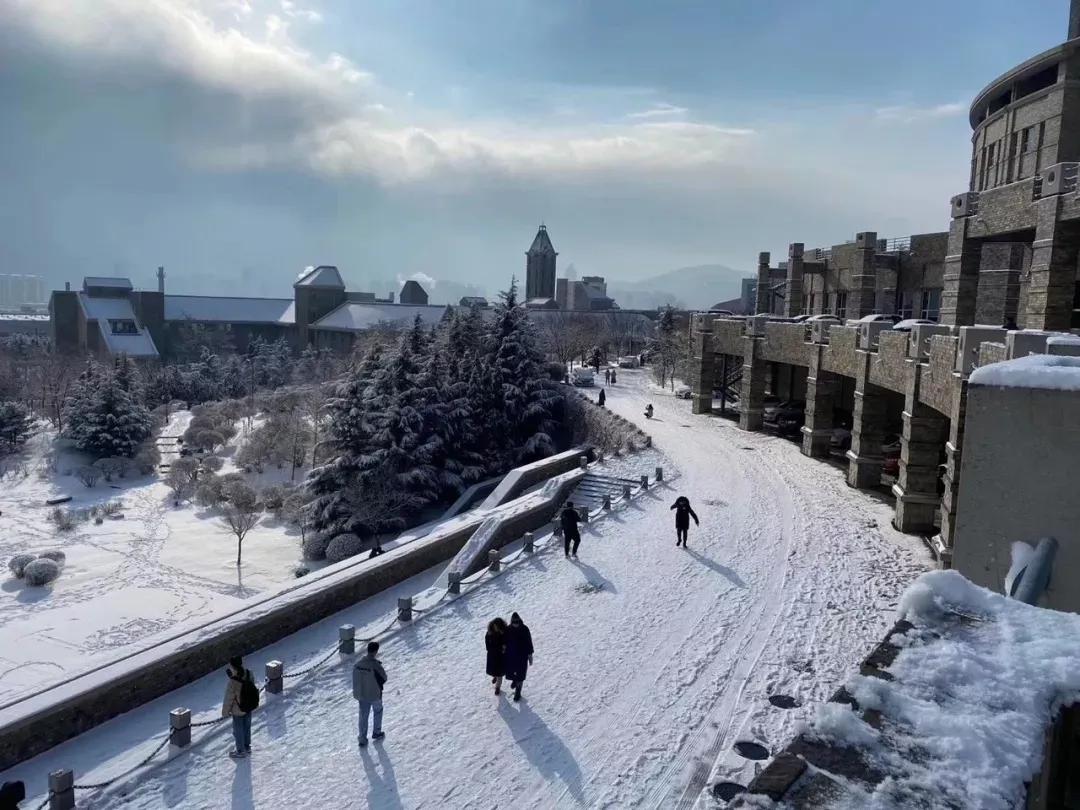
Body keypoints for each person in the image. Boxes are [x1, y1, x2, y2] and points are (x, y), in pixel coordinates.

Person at [221, 656, 257, 758]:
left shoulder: (233, 681)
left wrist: (225, 712)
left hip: (238, 709)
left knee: (238, 730)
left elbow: (229, 698)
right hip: (248, 706)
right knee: (247, 727)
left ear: (232, 666)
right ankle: (247, 746)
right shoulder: (249, 673)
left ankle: (240, 750)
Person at [353, 641, 388, 747]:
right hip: (374, 694)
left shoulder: (358, 665)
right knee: (378, 711)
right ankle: (376, 732)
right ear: (376, 651)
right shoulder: (375, 665)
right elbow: (384, 678)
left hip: (362, 694)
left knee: (363, 716)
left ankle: (362, 739)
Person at [503, 612, 534, 702]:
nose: (515, 624)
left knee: (521, 675)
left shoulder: (524, 629)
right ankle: (515, 680)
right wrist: (504, 649)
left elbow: (529, 642)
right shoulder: (508, 629)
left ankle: (518, 692)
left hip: (522, 656)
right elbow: (504, 641)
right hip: (511, 656)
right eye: (514, 622)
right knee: (511, 672)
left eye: (517, 622)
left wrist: (530, 654)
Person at [485, 617, 508, 696]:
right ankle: (494, 676)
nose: (496, 628)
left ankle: (497, 687)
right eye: (495, 626)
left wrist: (504, 648)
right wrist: (492, 649)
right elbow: (487, 645)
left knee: (500, 674)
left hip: (501, 656)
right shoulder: (489, 633)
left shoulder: (504, 632)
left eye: (498, 626)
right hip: (492, 655)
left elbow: (507, 642)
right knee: (494, 671)